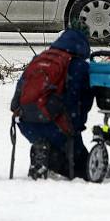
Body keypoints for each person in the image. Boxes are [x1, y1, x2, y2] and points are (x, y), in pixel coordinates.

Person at [12, 22, 94, 180]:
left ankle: (42, 152)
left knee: (62, 150)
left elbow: (18, 95)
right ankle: (49, 158)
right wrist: (76, 127)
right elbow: (82, 103)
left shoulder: (39, 58)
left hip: (26, 123)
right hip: (56, 124)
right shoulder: (79, 66)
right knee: (81, 167)